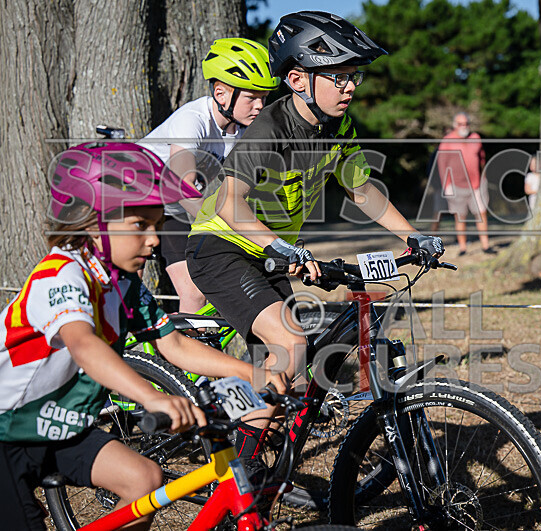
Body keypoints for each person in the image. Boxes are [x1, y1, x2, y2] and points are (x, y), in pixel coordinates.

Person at [186, 11, 444, 473]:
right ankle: (236, 485)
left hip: (269, 255)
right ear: (298, 79)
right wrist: (280, 248)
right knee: (291, 343)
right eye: (340, 76)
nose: (350, 87)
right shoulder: (271, 126)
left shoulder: (336, 128)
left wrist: (414, 236)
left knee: (285, 376)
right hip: (221, 246)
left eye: (354, 76)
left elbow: (361, 190)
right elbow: (229, 202)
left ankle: (248, 464)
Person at [0, 142, 285, 531]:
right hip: (6, 431)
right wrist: (153, 398)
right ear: (94, 223)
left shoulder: (124, 285)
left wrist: (254, 373)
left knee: (144, 479)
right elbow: (84, 345)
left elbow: (176, 344)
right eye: (140, 226)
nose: (154, 240)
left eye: (157, 226)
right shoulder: (61, 273)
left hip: (54, 428)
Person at [138, 38, 279, 314]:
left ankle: (179, 357)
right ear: (221, 94)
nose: (260, 105)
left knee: (194, 294)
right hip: (130, 205)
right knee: (126, 285)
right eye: (252, 97)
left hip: (169, 212)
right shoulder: (193, 119)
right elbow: (183, 185)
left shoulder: (239, 133)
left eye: (264, 97)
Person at [437, 112, 493, 255]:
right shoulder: (447, 141)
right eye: (461, 124)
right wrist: (446, 185)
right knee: (460, 217)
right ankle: (463, 248)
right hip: (456, 186)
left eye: (466, 123)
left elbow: (482, 159)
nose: (464, 126)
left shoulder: (475, 138)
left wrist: (483, 178)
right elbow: (442, 164)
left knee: (481, 214)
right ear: (455, 125)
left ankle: (485, 246)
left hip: (476, 185)